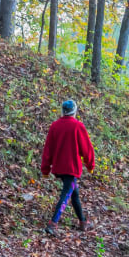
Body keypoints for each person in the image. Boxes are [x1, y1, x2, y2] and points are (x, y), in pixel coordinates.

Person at [40, 99, 95, 236]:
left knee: (73, 193)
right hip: (71, 167)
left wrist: (45, 169)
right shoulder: (77, 126)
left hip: (59, 167)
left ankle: (83, 222)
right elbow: (86, 148)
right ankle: (53, 223)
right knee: (66, 194)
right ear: (74, 112)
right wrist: (90, 164)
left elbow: (48, 149)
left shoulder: (55, 126)